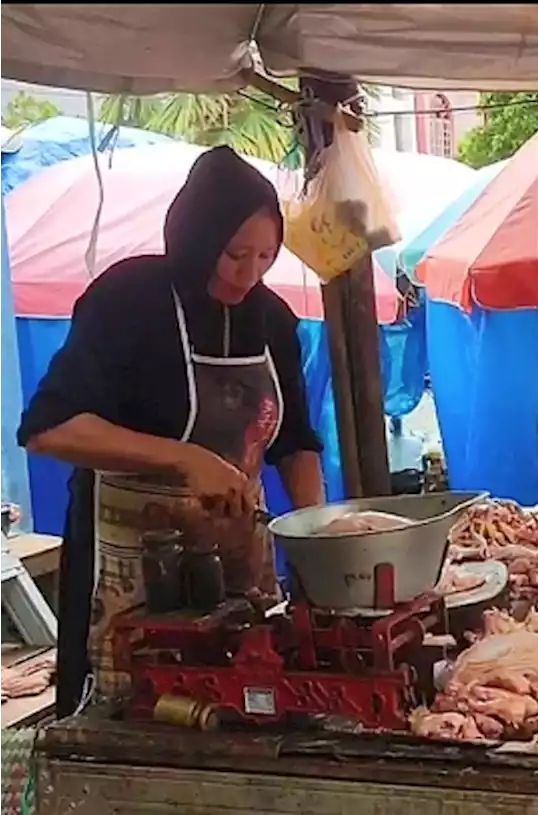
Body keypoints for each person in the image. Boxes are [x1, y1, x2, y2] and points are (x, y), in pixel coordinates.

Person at [18, 145, 326, 717]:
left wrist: (321, 535)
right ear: (197, 238)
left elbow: (295, 442)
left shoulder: (274, 320)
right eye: (235, 254)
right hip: (130, 563)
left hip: (235, 557)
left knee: (241, 702)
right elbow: (49, 427)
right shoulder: (130, 300)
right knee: (130, 708)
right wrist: (184, 459)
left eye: (266, 255)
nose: (250, 273)